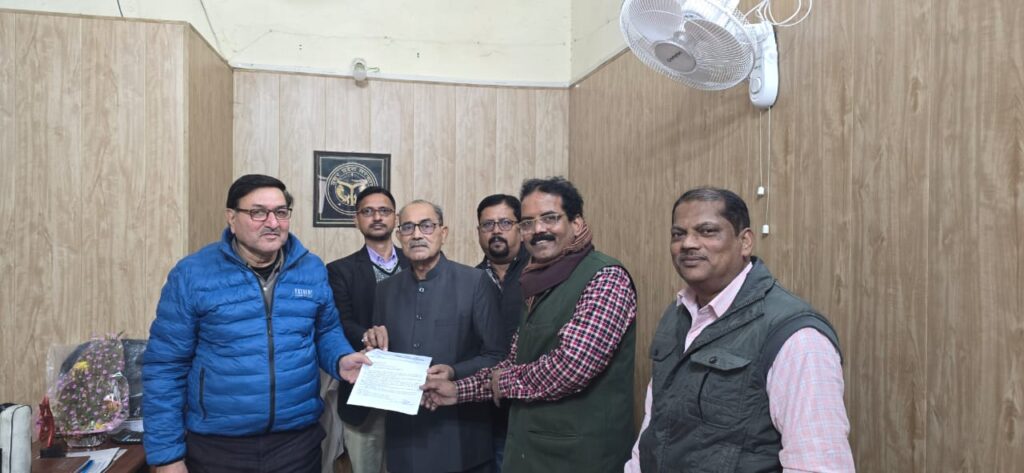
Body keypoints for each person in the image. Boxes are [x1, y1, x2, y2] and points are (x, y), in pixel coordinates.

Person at [142, 174, 370, 473]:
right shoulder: (192, 274)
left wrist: (340, 357)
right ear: (231, 218)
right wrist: (166, 457)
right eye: (258, 212)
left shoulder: (311, 268)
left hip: (297, 443)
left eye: (281, 212)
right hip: (217, 447)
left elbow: (325, 331)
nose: (273, 222)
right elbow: (164, 366)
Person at [625, 187, 855, 472]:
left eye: (707, 231)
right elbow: (655, 425)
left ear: (745, 242)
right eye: (678, 234)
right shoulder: (677, 314)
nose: (688, 244)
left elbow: (818, 464)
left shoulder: (796, 336)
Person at [422, 177, 638, 473]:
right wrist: (457, 390)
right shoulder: (536, 281)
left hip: (579, 456)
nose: (538, 230)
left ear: (576, 223)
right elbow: (514, 361)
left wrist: (502, 382)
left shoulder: (605, 277)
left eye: (550, 218)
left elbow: (571, 367)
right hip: (529, 451)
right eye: (528, 222)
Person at [365, 199, 509, 473]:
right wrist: (371, 345)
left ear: (443, 233)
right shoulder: (385, 290)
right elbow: (381, 353)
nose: (417, 234)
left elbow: (497, 355)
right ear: (399, 236)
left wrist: (454, 371)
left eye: (426, 226)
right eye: (408, 227)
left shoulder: (475, 282)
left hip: (461, 435)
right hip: (404, 437)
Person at [325, 187, 409, 473]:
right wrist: (366, 335)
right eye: (368, 211)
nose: (377, 217)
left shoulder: (418, 262)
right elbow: (339, 321)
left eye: (384, 211)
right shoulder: (339, 270)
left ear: (395, 218)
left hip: (412, 391)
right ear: (356, 219)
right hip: (364, 391)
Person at [473, 194, 529, 472]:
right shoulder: (469, 280)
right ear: (479, 232)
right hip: (485, 410)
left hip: (533, 408)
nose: (496, 231)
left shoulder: (542, 272)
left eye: (505, 223)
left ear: (521, 228)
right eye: (488, 225)